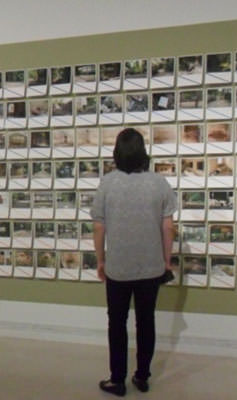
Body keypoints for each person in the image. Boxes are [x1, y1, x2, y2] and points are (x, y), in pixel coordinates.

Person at [91, 127, 176, 397]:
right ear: (143, 152)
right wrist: (166, 261)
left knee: (116, 323)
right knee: (146, 321)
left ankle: (117, 380)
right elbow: (168, 227)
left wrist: (101, 260)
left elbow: (98, 228)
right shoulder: (159, 183)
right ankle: (142, 376)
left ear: (117, 152)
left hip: (118, 267)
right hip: (151, 267)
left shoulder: (107, 183)